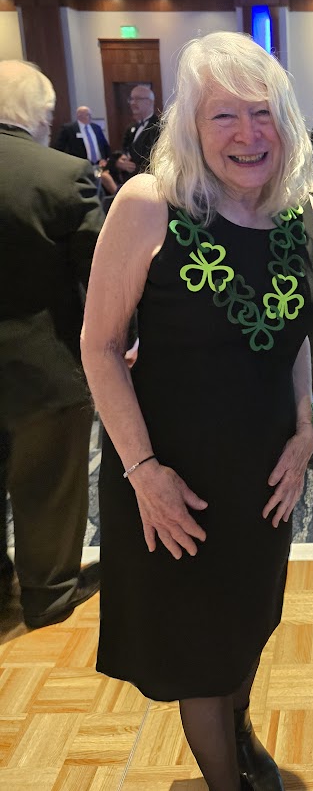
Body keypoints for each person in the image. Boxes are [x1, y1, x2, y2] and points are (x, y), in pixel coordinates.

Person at [81, 31, 313, 791]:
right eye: (224, 117)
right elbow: (99, 345)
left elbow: (295, 338)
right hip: (173, 483)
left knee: (247, 629)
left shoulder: (292, 215)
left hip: (262, 481)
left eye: (263, 114)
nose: (248, 135)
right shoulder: (151, 206)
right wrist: (142, 473)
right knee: (198, 657)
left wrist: (307, 430)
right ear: (190, 126)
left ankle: (243, 743)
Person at [0, 60, 104, 629]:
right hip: (45, 365)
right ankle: (50, 590)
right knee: (47, 484)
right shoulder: (64, 174)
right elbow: (102, 277)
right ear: (39, 114)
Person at [122, 85, 161, 171]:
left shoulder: (160, 126)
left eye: (137, 99)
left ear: (150, 102)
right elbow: (125, 149)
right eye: (131, 99)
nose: (132, 103)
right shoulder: (131, 127)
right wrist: (121, 161)